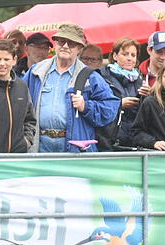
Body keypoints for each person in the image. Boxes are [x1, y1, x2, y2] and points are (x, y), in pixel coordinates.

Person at [23, 22, 119, 153]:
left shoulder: (90, 77)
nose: (66, 46)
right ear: (55, 44)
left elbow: (111, 108)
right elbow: (19, 101)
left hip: (74, 149)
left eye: (71, 43)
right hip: (39, 146)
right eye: (61, 41)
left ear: (80, 48)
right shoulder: (36, 72)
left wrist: (86, 106)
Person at [97, 37, 142, 149]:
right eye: (125, 54)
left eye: (133, 55)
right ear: (115, 56)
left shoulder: (140, 79)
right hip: (108, 140)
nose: (129, 58)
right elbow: (96, 106)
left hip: (133, 140)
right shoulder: (101, 76)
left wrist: (146, 97)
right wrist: (119, 104)